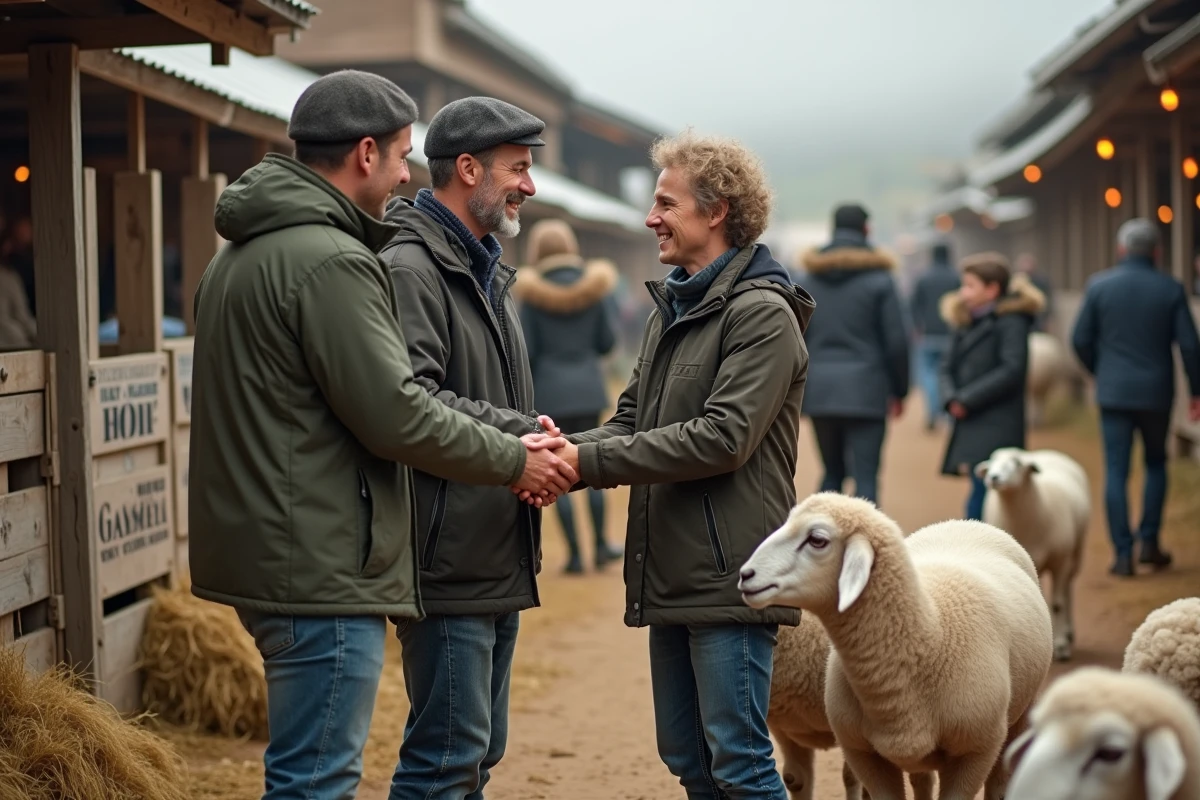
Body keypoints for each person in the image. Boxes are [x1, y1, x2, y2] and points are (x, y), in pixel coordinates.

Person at [188, 71, 576, 800]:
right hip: (319, 560)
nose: (405, 176)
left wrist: (520, 436)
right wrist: (514, 457)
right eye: (400, 155)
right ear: (366, 153)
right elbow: (397, 411)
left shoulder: (238, 258)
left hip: (280, 551)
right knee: (321, 781)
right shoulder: (335, 261)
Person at [531, 130, 814, 799]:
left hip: (729, 572)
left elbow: (722, 439)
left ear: (716, 212)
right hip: (673, 568)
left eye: (666, 203)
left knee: (740, 763)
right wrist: (561, 454)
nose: (650, 218)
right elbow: (632, 418)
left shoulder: (762, 315)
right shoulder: (675, 307)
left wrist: (584, 461)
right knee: (689, 757)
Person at [375, 95, 561, 799]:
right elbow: (412, 401)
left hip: (489, 545)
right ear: (468, 169)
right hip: (445, 554)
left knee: (476, 755)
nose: (529, 185)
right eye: (517, 168)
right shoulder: (413, 268)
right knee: (445, 760)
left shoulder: (485, 268)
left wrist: (531, 438)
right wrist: (522, 439)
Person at [1071, 218, 1200, 577]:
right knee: (1156, 463)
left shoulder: (1099, 286)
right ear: (1157, 251)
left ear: (1121, 249)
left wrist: (1099, 371)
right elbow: (1190, 346)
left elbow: (1079, 338)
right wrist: (1196, 391)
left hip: (1113, 392)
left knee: (1116, 469)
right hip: (1156, 393)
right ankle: (1150, 544)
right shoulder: (1170, 288)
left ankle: (1122, 554)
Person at [514, 218, 622, 574]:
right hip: (588, 389)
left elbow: (526, 350)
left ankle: (575, 555)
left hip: (550, 392)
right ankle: (602, 546)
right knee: (591, 465)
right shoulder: (595, 289)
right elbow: (607, 342)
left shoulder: (531, 296)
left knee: (556, 469)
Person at [797, 203, 909, 505]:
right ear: (867, 229)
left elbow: (796, 337)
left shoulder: (809, 280)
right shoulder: (881, 280)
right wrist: (900, 390)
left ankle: (823, 532)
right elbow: (897, 341)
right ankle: (866, 536)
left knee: (831, 474)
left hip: (821, 391)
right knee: (866, 477)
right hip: (868, 391)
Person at [939, 252, 1044, 520]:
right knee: (978, 485)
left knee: (985, 490)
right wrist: (951, 398)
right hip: (971, 415)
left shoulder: (1012, 323)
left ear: (992, 289)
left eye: (970, 286)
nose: (963, 293)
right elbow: (946, 365)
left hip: (998, 419)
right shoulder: (965, 321)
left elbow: (1011, 370)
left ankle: (981, 540)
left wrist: (966, 399)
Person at [908, 241, 961, 430]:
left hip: (928, 334)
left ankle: (932, 412)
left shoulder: (923, 278)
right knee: (950, 375)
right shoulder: (956, 277)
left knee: (929, 375)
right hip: (952, 334)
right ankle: (949, 413)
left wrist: (917, 327)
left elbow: (913, 306)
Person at [1015, 251, 1054, 332]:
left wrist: (1046, 319)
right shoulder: (1017, 281)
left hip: (1038, 317)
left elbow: (1048, 300)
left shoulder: (1041, 281)